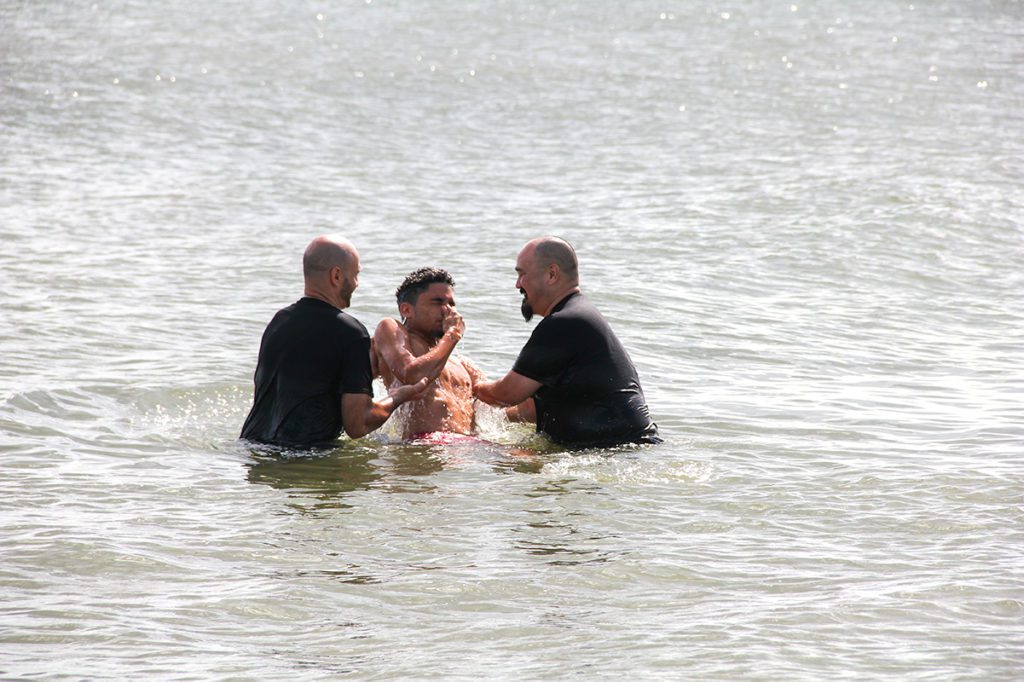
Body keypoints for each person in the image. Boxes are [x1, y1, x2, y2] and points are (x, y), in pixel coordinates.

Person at [240, 235, 429, 447]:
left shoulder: (279, 322)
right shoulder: (350, 332)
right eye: (356, 275)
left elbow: (302, 385)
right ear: (337, 275)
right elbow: (358, 424)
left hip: (254, 448)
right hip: (303, 457)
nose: (357, 284)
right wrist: (398, 397)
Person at [473, 236, 660, 448]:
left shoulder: (563, 323)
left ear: (552, 274)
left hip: (617, 451)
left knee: (494, 458)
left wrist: (472, 384)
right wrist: (475, 418)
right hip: (626, 450)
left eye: (522, 274)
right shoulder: (576, 317)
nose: (517, 284)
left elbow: (507, 394)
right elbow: (531, 409)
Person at [373, 267, 488, 440]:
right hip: (425, 443)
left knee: (530, 456)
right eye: (438, 302)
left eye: (451, 304)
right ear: (406, 310)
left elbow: (499, 397)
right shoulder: (392, 330)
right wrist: (452, 335)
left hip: (465, 450)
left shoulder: (462, 365)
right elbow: (411, 374)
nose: (448, 310)